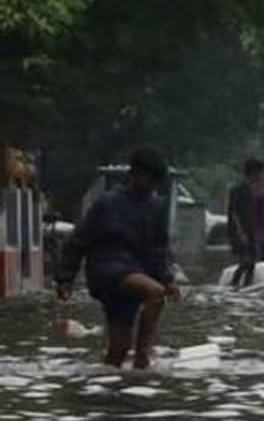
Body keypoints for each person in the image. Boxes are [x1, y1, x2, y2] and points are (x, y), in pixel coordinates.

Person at [55, 148, 180, 369]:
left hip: (133, 276)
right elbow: (79, 239)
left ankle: (110, 392)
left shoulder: (155, 208)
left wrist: (168, 278)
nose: (153, 187)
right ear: (137, 175)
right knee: (156, 293)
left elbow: (159, 250)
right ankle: (142, 356)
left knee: (118, 350)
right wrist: (66, 277)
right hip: (107, 270)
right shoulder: (107, 203)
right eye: (150, 181)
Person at [227, 158, 264, 288]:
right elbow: (234, 212)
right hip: (239, 231)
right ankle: (233, 285)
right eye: (259, 173)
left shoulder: (252, 191)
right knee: (245, 261)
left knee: (252, 263)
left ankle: (247, 287)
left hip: (250, 230)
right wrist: (241, 232)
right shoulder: (238, 190)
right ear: (253, 173)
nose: (261, 176)